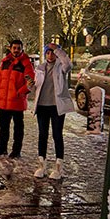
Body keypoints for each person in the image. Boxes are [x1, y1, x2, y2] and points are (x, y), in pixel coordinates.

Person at [31, 43, 75, 180]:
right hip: (42, 106)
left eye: (53, 53)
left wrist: (58, 50)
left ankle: (58, 166)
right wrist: (30, 86)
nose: (50, 55)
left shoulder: (61, 67)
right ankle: (41, 165)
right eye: (48, 53)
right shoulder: (40, 68)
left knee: (57, 135)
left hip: (56, 106)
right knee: (42, 135)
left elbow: (68, 64)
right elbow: (36, 89)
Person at [0, 39, 35, 161]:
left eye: (18, 48)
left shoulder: (25, 64)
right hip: (4, 101)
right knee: (3, 127)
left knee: (18, 129)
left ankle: (16, 151)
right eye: (14, 48)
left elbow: (30, 82)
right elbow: (0, 78)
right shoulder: (5, 62)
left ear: (22, 49)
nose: (16, 50)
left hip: (17, 102)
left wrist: (20, 93)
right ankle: (1, 148)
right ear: (10, 48)